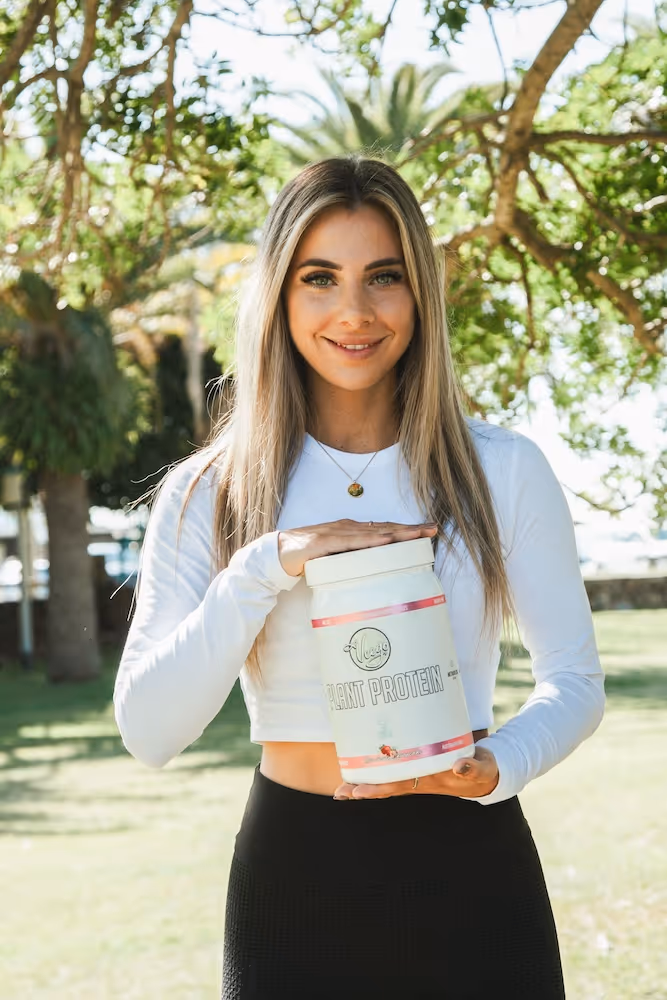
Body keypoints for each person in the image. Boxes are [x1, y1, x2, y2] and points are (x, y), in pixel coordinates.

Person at [113, 156, 605, 999]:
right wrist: (266, 565)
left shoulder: (503, 470)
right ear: (278, 294)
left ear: (419, 294)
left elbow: (577, 682)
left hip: (472, 873)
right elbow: (150, 731)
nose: (354, 311)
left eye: (384, 276)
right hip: (292, 882)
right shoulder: (208, 492)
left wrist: (498, 766)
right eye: (319, 278)